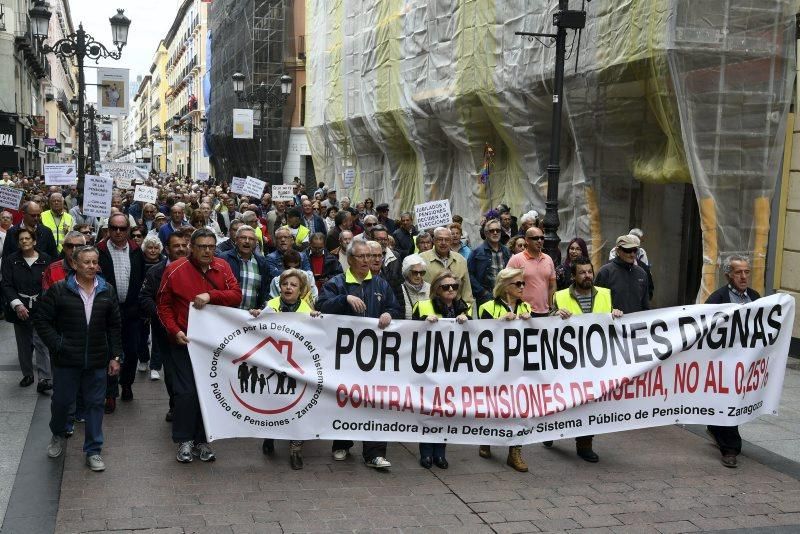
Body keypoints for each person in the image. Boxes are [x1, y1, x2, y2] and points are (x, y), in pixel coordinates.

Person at [35, 245, 123, 472]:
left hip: (96, 359)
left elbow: (114, 326)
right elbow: (42, 321)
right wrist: (58, 344)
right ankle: (58, 433)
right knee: (62, 403)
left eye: (95, 262)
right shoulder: (59, 290)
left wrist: (115, 356)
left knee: (95, 404)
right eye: (87, 262)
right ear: (74, 264)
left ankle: (93, 450)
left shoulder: (107, 290)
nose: (92, 266)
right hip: (66, 360)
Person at [157, 228, 242, 463]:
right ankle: (184, 440)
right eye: (202, 246)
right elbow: (163, 306)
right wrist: (174, 331)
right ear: (191, 247)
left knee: (207, 391)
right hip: (184, 341)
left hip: (212, 343)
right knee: (186, 392)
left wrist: (211, 295)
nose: (207, 251)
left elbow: (236, 295)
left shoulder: (222, 268)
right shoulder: (174, 270)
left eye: (211, 247)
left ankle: (202, 440)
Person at [317, 239, 401, 468]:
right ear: (350, 259)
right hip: (344, 356)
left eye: (370, 256)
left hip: (374, 358)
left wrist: (389, 315)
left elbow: (395, 308)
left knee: (375, 402)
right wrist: (344, 299)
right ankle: (342, 444)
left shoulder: (381, 284)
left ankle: (374, 453)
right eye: (361, 256)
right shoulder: (337, 283)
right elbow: (322, 305)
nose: (367, 260)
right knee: (346, 398)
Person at [550, 256, 623, 462]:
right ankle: (549, 431)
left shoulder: (606, 294)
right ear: (573, 276)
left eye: (589, 272)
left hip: (594, 360)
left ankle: (585, 444)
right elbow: (548, 324)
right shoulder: (560, 296)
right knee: (563, 400)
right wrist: (555, 314)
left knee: (589, 402)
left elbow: (611, 318)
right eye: (582, 272)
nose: (587, 276)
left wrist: (615, 313)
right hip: (569, 361)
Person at [250, 268, 321, 469]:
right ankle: (270, 436)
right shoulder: (270, 307)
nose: (288, 288)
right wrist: (256, 315)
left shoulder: (308, 311)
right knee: (273, 404)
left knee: (298, 407)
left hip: (298, 367)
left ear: (301, 290)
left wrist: (317, 321)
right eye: (285, 284)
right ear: (279, 287)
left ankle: (295, 449)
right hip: (273, 364)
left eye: (294, 285)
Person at [411, 270, 470, 469]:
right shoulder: (422, 306)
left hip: (453, 367)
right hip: (429, 367)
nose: (451, 289)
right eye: (446, 286)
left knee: (446, 410)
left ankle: (440, 453)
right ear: (436, 289)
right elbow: (409, 334)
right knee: (429, 408)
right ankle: (426, 452)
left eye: (454, 286)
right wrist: (423, 324)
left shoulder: (464, 308)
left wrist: (466, 320)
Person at [705, 255, 760, 468]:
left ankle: (715, 428)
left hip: (747, 361)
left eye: (747, 272)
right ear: (728, 275)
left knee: (737, 400)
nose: (744, 276)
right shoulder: (717, 299)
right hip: (724, 362)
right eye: (739, 272)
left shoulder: (755, 297)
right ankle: (730, 448)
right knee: (729, 400)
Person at [477, 267, 533, 472]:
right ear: (505, 287)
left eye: (523, 283)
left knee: (520, 408)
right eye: (517, 284)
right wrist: (499, 323)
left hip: (520, 367)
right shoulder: (488, 307)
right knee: (495, 405)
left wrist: (531, 322)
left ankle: (515, 451)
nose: (521, 287)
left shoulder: (526, 307)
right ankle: (487, 439)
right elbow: (479, 337)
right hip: (496, 367)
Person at [140, 230, 190, 423]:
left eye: (184, 245)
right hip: (166, 332)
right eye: (176, 246)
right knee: (171, 372)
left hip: (194, 331)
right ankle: (175, 405)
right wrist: (162, 314)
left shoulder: (198, 269)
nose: (181, 249)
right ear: (167, 249)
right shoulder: (156, 272)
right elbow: (144, 298)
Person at [97, 213, 146, 412]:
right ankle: (110, 393)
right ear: (108, 229)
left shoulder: (136, 251)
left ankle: (126, 384)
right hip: (107, 311)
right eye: (114, 228)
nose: (118, 232)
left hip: (131, 310)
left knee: (132, 351)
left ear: (128, 230)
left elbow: (142, 278)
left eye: (122, 228)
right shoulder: (99, 251)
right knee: (109, 352)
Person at [1, 228, 52, 391]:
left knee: (42, 342)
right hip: (20, 307)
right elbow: (7, 284)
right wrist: (17, 305)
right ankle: (28, 374)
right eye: (21, 239)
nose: (24, 241)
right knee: (23, 343)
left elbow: (50, 284)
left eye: (27, 238)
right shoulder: (11, 260)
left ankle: (44, 378)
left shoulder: (45, 259)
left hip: (41, 307)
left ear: (34, 241)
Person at [420, 227, 474, 309]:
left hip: (457, 312)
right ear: (433, 240)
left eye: (447, 240)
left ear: (451, 241)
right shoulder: (421, 259)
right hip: (430, 311)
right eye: (440, 239)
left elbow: (466, 291)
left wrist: (466, 312)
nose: (443, 243)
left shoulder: (460, 260)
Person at [507, 226, 556, 316]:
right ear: (527, 240)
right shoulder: (516, 259)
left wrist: (551, 307)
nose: (539, 241)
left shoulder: (548, 259)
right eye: (535, 238)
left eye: (542, 238)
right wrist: (514, 308)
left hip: (546, 312)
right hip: (524, 313)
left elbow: (552, 286)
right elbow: (507, 285)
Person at [219, 226, 270, 312]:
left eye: (251, 239)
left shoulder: (262, 263)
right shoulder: (224, 259)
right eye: (243, 238)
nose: (247, 241)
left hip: (250, 318)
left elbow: (264, 290)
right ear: (236, 240)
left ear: (255, 243)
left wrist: (260, 309)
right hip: (226, 316)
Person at [594, 234, 650, 313]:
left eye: (635, 250)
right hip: (613, 323)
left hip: (636, 323)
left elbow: (645, 305)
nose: (632, 254)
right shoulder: (605, 272)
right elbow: (596, 303)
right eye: (628, 250)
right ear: (617, 251)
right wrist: (611, 311)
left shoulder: (642, 273)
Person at [468, 218, 511, 307]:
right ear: (486, 233)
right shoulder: (477, 252)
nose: (495, 233)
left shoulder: (506, 251)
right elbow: (469, 274)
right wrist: (483, 292)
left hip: (505, 296)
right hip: (485, 298)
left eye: (498, 230)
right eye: (492, 231)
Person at [398, 254, 430, 319]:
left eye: (421, 273)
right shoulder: (399, 290)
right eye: (415, 272)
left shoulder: (430, 288)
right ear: (407, 272)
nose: (418, 276)